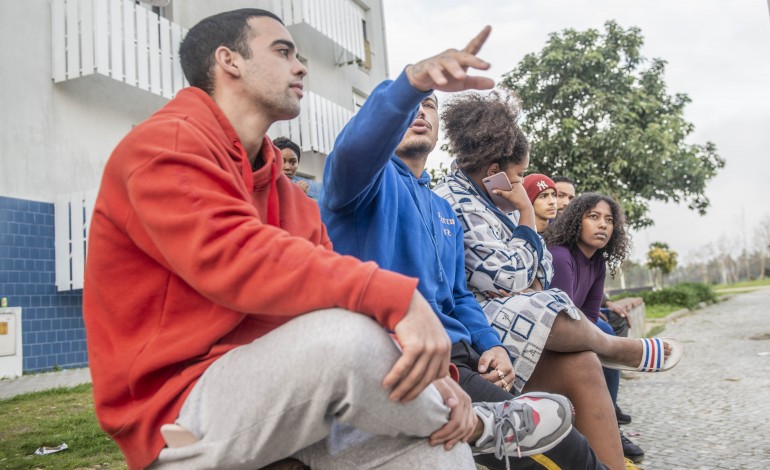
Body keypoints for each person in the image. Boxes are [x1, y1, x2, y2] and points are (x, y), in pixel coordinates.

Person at [82, 10, 572, 470]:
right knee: (349, 336)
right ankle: (482, 426)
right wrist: (401, 301)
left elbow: (322, 289)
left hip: (287, 392)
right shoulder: (164, 145)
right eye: (283, 51)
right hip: (178, 411)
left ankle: (467, 426)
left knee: (437, 454)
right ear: (228, 60)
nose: (300, 67)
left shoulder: (282, 191)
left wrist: (442, 381)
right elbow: (237, 258)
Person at [320, 32, 612, 469]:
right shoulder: (361, 185)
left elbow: (457, 295)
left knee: (570, 438)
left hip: (466, 356)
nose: (421, 111)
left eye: (431, 106)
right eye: (412, 104)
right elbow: (354, 149)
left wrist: (491, 344)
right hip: (405, 361)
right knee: (549, 456)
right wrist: (412, 85)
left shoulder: (441, 209)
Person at [433, 91, 683, 469]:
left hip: (509, 317)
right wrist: (525, 214)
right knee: (549, 305)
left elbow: (543, 270)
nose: (521, 186)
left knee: (582, 362)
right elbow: (505, 276)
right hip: (479, 329)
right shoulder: (455, 200)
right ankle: (612, 347)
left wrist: (522, 251)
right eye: (518, 177)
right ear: (493, 173)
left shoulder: (489, 205)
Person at [545, 193, 684, 464]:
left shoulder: (597, 262)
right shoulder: (560, 256)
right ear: (576, 221)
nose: (603, 225)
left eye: (609, 220)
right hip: (549, 339)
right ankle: (624, 352)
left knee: (603, 328)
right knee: (604, 335)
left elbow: (590, 315)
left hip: (577, 331)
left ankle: (609, 424)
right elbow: (559, 318)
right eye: (593, 217)